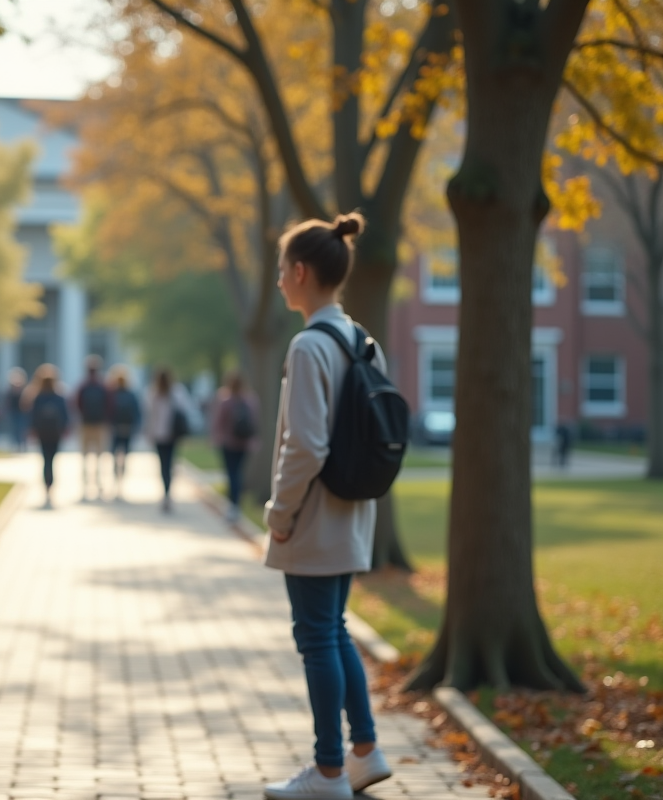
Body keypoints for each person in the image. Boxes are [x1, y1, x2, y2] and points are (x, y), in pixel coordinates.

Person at [262, 213, 393, 800]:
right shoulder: (363, 339)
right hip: (353, 511)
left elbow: (305, 444)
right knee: (333, 631)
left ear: (299, 272)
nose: (279, 281)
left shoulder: (309, 344)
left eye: (281, 271)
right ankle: (364, 752)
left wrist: (279, 514)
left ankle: (329, 770)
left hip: (312, 517)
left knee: (316, 637)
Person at [145, 367, 193, 513]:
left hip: (162, 435)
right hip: (171, 435)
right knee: (169, 463)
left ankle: (166, 493)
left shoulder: (154, 393)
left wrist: (149, 433)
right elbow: (185, 409)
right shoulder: (176, 392)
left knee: (164, 465)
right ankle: (168, 493)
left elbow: (150, 416)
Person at [211, 371, 257, 522]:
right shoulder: (250, 400)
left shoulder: (225, 400)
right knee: (238, 473)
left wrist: (216, 438)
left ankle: (233, 505)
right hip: (244, 443)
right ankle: (236, 505)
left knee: (232, 474)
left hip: (228, 443)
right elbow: (255, 422)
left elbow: (219, 421)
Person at [24, 364, 69, 509]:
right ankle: (51, 485)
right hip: (55, 433)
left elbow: (33, 416)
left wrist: (33, 430)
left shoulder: (37, 397)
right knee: (52, 460)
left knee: (46, 460)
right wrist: (65, 429)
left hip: (43, 433)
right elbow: (65, 415)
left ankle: (47, 486)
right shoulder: (59, 397)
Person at [74, 354, 111, 501]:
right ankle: (99, 484)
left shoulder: (83, 386)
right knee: (100, 456)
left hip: (85, 424)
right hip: (100, 425)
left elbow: (77, 404)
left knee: (85, 456)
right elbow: (109, 405)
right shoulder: (103, 386)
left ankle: (85, 486)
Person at [107, 365, 141, 500]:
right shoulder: (131, 394)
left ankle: (116, 480)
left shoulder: (112, 394)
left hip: (115, 428)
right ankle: (120, 483)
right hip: (127, 428)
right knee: (124, 456)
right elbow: (137, 412)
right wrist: (136, 427)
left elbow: (108, 412)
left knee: (114, 456)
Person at [3, 367, 28, 451]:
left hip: (22, 413)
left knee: (22, 429)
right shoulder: (10, 391)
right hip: (14, 412)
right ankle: (16, 444)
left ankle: (22, 444)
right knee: (15, 429)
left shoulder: (24, 390)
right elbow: (7, 402)